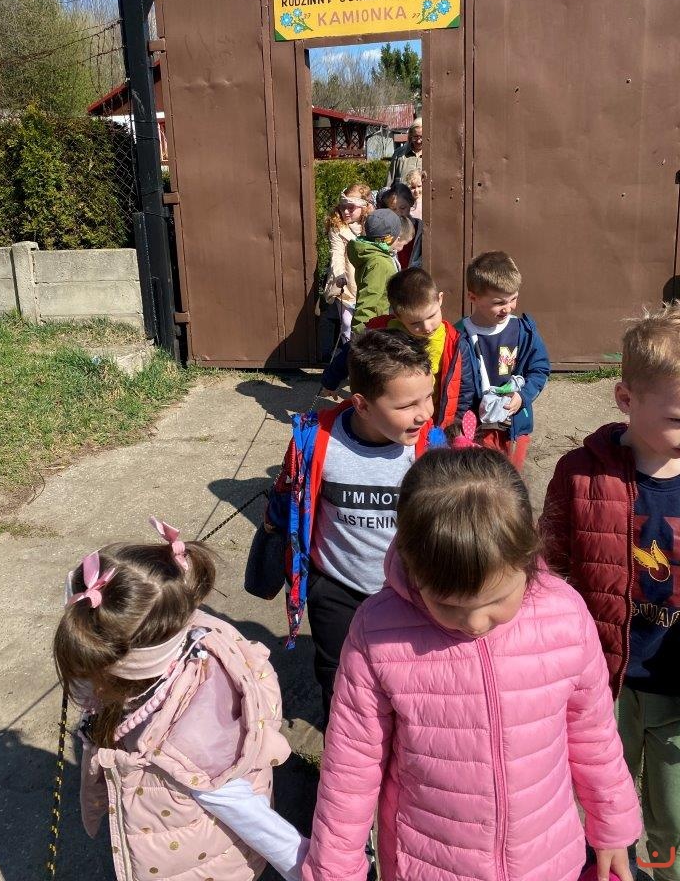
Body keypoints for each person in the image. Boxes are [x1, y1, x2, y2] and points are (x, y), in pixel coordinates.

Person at [302, 444, 642, 881]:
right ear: (413, 566)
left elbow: (593, 731)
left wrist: (610, 826)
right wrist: (335, 869)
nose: (476, 623)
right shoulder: (378, 632)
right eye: (448, 605)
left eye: (497, 600)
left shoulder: (565, 615)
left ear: (528, 554)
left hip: (546, 858)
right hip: (429, 865)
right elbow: (351, 766)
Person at [54, 522, 308, 881]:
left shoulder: (189, 743)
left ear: (115, 672)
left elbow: (253, 819)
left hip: (201, 867)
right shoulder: (189, 626)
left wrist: (311, 867)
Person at [542, 304, 680, 881]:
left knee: (674, 816)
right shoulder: (581, 474)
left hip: (675, 689)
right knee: (598, 804)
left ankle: (665, 869)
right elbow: (549, 573)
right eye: (678, 417)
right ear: (626, 399)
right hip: (603, 684)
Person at [262, 329, 434, 725]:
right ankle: (341, 747)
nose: (424, 413)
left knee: (406, 677)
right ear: (362, 404)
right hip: (337, 587)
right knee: (337, 675)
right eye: (407, 404)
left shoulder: (431, 446)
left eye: (428, 396)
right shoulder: (316, 440)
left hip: (408, 590)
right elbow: (294, 502)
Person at [321, 267, 467, 429]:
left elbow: (464, 385)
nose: (427, 327)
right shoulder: (383, 332)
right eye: (415, 323)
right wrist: (330, 381)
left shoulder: (454, 341)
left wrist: (456, 423)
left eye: (432, 316)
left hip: (434, 416)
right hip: (396, 417)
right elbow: (352, 352)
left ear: (440, 299)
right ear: (398, 316)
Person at [458, 250, 550, 469]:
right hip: (475, 428)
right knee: (479, 478)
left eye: (513, 299)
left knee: (511, 478)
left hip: (514, 426)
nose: (508, 308)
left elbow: (539, 368)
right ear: (473, 297)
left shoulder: (523, 331)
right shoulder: (459, 335)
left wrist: (523, 396)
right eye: (499, 302)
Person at [325, 185, 372, 343]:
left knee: (365, 323)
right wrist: (339, 275)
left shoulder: (372, 224)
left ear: (363, 207)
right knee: (347, 322)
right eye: (342, 207)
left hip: (366, 279)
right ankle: (348, 352)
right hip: (346, 281)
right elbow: (336, 254)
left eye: (351, 208)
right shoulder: (338, 227)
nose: (345, 212)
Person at [346, 208, 402, 333]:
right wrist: (360, 335)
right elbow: (368, 300)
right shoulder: (379, 263)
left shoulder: (375, 255)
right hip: (375, 329)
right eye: (398, 237)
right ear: (390, 238)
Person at [378, 182, 420, 269]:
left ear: (411, 203)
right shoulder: (386, 230)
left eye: (403, 208)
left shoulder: (420, 229)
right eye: (393, 209)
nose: (398, 213)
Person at [386, 118, 423, 186]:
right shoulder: (399, 154)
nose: (418, 141)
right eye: (415, 137)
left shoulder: (432, 156)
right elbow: (389, 183)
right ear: (410, 136)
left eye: (421, 137)